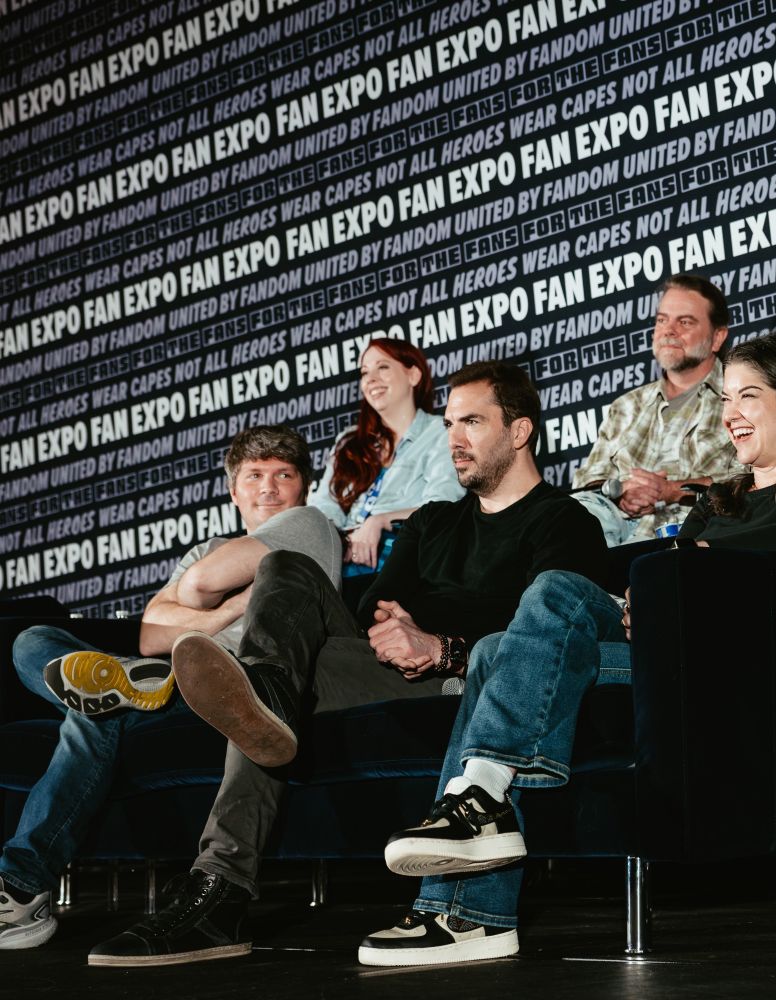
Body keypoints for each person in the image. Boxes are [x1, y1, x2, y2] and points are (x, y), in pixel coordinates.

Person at [358, 332, 776, 966]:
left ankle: (467, 868)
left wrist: (694, 567)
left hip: (742, 664)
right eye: (726, 399)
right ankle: (470, 890)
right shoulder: (719, 501)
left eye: (749, 397)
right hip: (665, 652)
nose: (730, 412)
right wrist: (645, 601)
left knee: (533, 616)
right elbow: (673, 588)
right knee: (502, 644)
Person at [80, 361, 607, 967]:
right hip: (380, 664)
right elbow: (372, 606)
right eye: (450, 424)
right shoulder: (434, 519)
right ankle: (225, 864)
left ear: (519, 432)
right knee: (284, 575)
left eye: (473, 422)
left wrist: (437, 642)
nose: (454, 438)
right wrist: (397, 631)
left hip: (465, 677)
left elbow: (547, 629)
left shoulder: (566, 521)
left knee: (267, 684)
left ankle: (223, 878)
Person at [0, 426, 343, 951]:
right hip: (168, 677)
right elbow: (150, 631)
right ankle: (124, 687)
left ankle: (22, 886)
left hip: (234, 681)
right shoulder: (207, 546)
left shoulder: (310, 526)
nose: (269, 488)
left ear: (303, 486)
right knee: (33, 641)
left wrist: (200, 603)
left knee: (91, 714)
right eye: (254, 476)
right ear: (234, 491)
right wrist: (232, 607)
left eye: (284, 475)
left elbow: (199, 584)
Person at [572, 274, 746, 545]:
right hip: (610, 546)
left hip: (691, 546)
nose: (668, 330)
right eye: (662, 320)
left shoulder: (742, 397)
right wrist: (620, 490)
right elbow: (586, 484)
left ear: (717, 337)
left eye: (685, 322)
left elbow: (756, 480)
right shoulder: (626, 406)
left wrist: (673, 491)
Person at [309, 337, 463, 572]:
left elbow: (443, 507)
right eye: (364, 372)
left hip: (404, 558)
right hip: (341, 561)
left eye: (383, 367)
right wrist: (338, 541)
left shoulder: (440, 433)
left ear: (413, 375)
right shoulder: (347, 442)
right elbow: (324, 508)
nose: (370, 379)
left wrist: (381, 521)